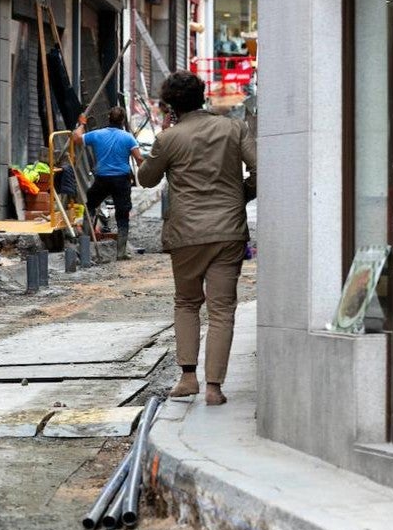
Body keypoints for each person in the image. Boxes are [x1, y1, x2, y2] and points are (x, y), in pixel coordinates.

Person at [137, 71, 256, 406]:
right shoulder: (234, 128)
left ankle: (188, 378)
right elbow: (261, 170)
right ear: (202, 96)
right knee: (222, 309)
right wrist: (239, 195)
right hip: (228, 230)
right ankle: (214, 388)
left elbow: (145, 180)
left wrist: (162, 142)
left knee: (187, 303)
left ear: (171, 106)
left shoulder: (169, 139)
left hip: (186, 234)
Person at [73, 106, 144, 260]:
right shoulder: (128, 138)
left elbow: (76, 138)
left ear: (108, 119)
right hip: (121, 180)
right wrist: (146, 173)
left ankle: (84, 247)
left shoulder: (97, 135)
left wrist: (82, 124)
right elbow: (139, 159)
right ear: (123, 121)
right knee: (122, 213)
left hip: (102, 178)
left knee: (90, 205)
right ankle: (121, 252)